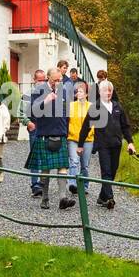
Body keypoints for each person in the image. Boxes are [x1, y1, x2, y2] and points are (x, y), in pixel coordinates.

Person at [75, 79, 135, 210]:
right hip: (103, 145)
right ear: (100, 92)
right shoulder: (95, 107)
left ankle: (102, 196)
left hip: (116, 144)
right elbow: (86, 127)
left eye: (110, 90)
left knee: (113, 171)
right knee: (106, 171)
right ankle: (109, 198)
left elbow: (125, 126)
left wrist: (130, 142)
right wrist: (80, 145)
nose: (107, 93)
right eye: (105, 90)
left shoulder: (118, 106)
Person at [26, 65, 76, 210]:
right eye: (55, 80)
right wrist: (46, 100)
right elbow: (32, 112)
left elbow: (67, 113)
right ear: (48, 78)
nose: (58, 83)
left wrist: (65, 131)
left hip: (60, 133)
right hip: (44, 134)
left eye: (60, 80)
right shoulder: (38, 91)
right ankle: (45, 198)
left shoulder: (64, 92)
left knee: (63, 167)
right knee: (46, 169)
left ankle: (62, 198)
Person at [66, 80, 92, 195]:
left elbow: (94, 124)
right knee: (74, 161)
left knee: (84, 165)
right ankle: (72, 184)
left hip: (88, 139)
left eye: (81, 92)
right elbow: (67, 122)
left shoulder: (91, 107)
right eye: (78, 92)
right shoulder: (71, 106)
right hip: (73, 138)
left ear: (86, 94)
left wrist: (91, 134)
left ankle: (85, 186)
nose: (79, 93)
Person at [24, 69, 48, 197]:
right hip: (34, 128)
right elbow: (20, 112)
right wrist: (28, 122)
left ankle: (43, 183)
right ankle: (35, 185)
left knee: (45, 157)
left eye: (43, 80)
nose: (41, 82)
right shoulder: (28, 94)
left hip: (45, 129)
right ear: (34, 80)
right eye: (39, 80)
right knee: (35, 156)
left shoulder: (48, 94)